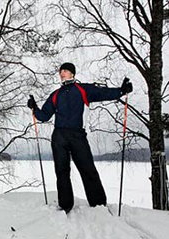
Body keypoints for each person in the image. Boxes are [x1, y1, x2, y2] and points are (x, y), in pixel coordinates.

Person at [27, 62, 133, 213]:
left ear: (72, 74)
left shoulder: (83, 89)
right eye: (61, 71)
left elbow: (102, 93)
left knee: (87, 168)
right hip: (59, 136)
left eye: (65, 70)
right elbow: (44, 115)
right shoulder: (56, 94)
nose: (62, 73)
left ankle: (98, 205)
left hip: (78, 135)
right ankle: (65, 206)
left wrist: (121, 91)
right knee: (61, 171)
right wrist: (34, 107)